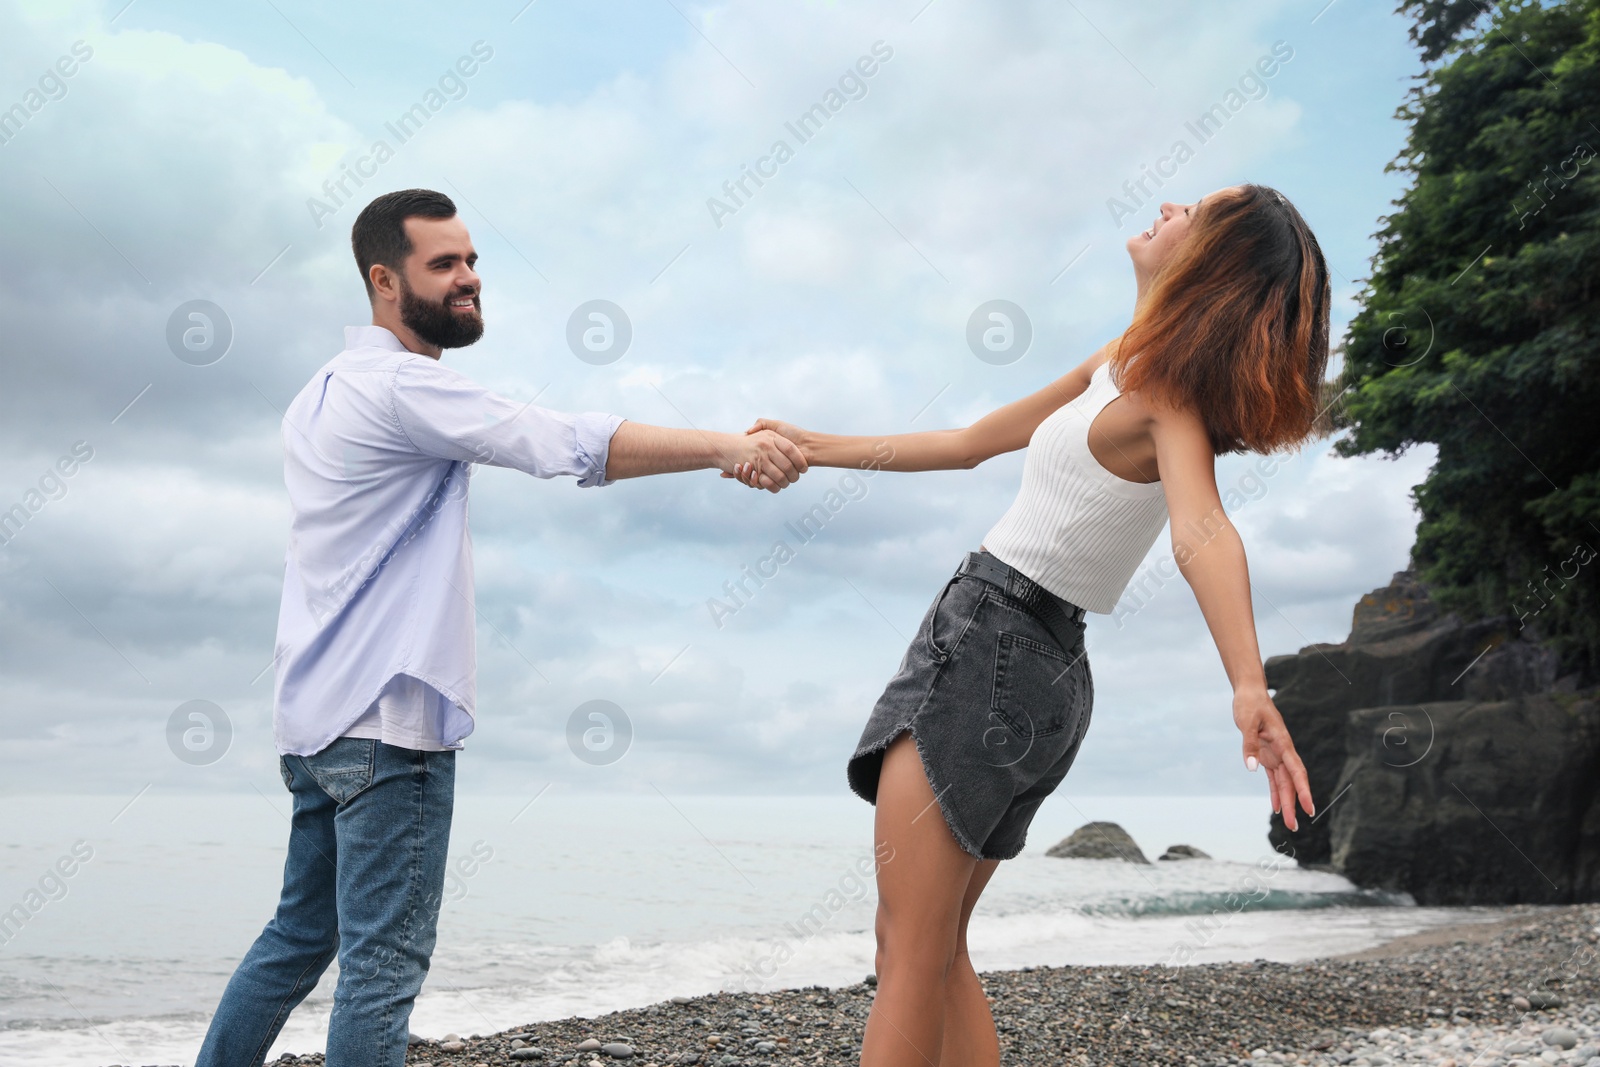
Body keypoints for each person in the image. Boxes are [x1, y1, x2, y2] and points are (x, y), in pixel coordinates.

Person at [195, 188, 808, 1067]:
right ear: (383, 279)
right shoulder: (404, 388)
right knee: (383, 964)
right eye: (443, 264)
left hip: (313, 724)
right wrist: (723, 445)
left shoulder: (319, 393)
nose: (469, 279)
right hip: (387, 727)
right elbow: (561, 441)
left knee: (298, 935)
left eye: (472, 260)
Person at [734, 183, 1328, 1067]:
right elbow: (972, 440)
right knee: (935, 951)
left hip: (991, 645)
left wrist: (1249, 684)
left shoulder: (1166, 399)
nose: (1168, 206)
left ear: (1213, 262)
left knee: (906, 952)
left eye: (1194, 211)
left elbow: (1204, 529)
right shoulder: (1127, 358)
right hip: (1041, 664)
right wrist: (816, 445)